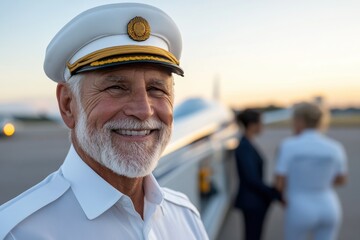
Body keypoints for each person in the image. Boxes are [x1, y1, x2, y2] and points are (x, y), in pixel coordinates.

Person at [0, 3, 209, 239]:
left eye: (156, 89)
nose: (143, 110)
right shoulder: (17, 233)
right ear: (68, 105)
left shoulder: (185, 216)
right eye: (116, 87)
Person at [275, 102, 348, 240]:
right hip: (329, 205)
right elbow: (342, 179)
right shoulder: (335, 147)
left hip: (299, 205)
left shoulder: (288, 146)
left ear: (299, 121)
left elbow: (279, 183)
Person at [234, 109, 282, 240]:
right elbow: (251, 178)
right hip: (252, 202)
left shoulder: (247, 144)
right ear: (252, 125)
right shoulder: (244, 146)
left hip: (254, 200)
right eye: (260, 123)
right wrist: (273, 192)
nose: (262, 126)